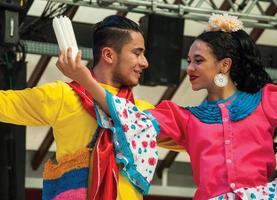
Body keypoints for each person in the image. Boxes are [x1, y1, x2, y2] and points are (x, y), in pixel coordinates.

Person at [57, 13, 277, 200]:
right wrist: (85, 80)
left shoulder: (264, 102)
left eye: (198, 61)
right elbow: (127, 116)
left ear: (224, 65)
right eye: (189, 61)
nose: (190, 68)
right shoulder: (184, 118)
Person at [0, 15, 159, 200]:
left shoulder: (143, 113)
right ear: (108, 55)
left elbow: (194, 134)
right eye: (137, 53)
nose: (145, 62)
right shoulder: (63, 96)